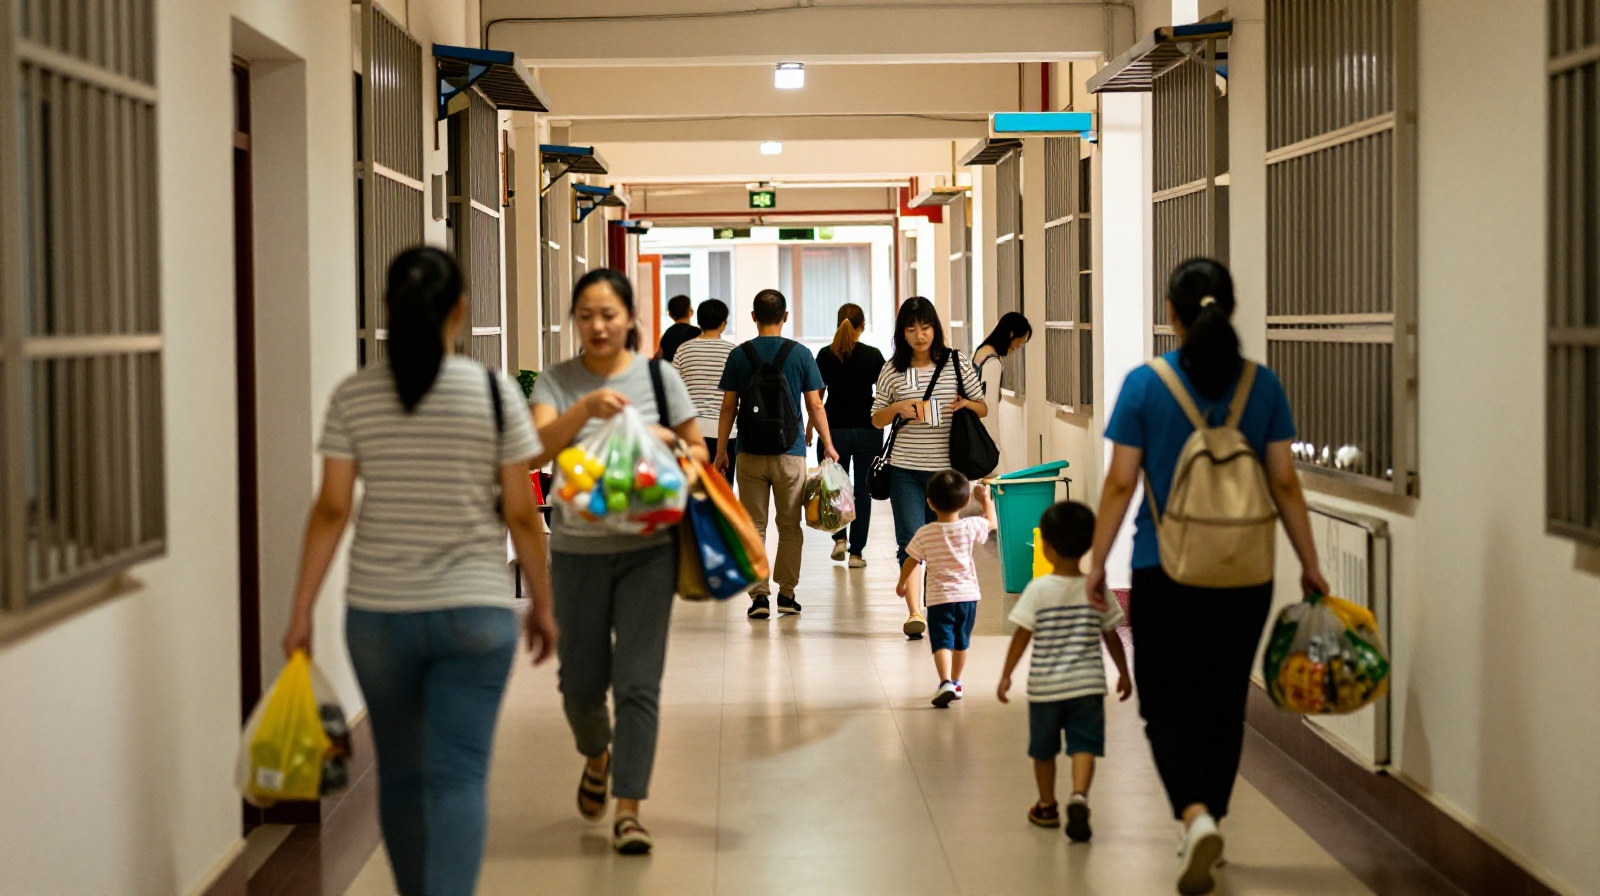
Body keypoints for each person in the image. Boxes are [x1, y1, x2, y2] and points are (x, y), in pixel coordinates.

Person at [280, 247, 557, 896]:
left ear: (386, 309)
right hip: (476, 615)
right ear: (460, 310)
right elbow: (521, 512)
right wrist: (543, 603)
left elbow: (331, 509)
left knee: (401, 775)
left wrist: (298, 611)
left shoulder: (354, 395)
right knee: (459, 773)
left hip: (380, 617)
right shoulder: (491, 393)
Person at [1085, 257, 1329, 896]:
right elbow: (1284, 484)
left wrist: (1095, 564)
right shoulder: (1263, 387)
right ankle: (1212, 819)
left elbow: (1119, 482)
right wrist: (1309, 562)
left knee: (1165, 701)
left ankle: (1193, 818)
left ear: (1172, 314)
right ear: (1232, 307)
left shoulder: (1146, 385)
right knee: (1223, 701)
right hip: (1247, 573)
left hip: (1162, 568)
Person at [529, 268, 708, 856]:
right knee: (579, 684)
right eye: (586, 315)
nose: (598, 326)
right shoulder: (556, 381)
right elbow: (536, 450)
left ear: (630, 318)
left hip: (647, 549)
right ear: (575, 321)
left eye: (609, 314)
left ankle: (630, 808)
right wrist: (585, 411)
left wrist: (662, 437)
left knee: (638, 682)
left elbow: (698, 451)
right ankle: (597, 754)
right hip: (577, 548)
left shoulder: (661, 377)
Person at [997, 501, 1131, 845]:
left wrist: (1007, 674)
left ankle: (1047, 805)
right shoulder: (1096, 589)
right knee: (1084, 744)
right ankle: (1079, 797)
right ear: (1088, 545)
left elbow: (1022, 635)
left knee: (1043, 749)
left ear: (1047, 547)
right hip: (1088, 686)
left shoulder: (1038, 589)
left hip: (1046, 688)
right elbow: (1112, 636)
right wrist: (1124, 673)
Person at [715, 289, 838, 620]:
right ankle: (786, 593)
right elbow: (814, 404)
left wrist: (721, 450)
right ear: (785, 317)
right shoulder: (800, 354)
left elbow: (729, 406)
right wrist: (827, 443)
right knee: (789, 524)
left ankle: (758, 597)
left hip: (750, 453)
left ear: (753, 317)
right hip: (790, 452)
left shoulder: (739, 355)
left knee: (754, 527)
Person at [870, 296, 986, 639]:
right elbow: (876, 418)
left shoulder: (957, 363)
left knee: (944, 542)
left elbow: (982, 408)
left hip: (947, 472)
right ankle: (916, 612)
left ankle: (939, 604)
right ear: (901, 333)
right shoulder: (892, 369)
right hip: (904, 468)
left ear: (935, 328)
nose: (919, 335)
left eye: (925, 327)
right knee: (910, 539)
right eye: (911, 328)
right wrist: (898, 409)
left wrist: (965, 404)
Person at [894, 469, 996, 708]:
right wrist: (986, 501)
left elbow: (911, 559)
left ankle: (945, 681)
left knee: (941, 642)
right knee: (961, 642)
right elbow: (991, 524)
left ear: (929, 503)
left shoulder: (925, 533)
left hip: (939, 599)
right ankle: (958, 682)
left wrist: (901, 583)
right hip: (968, 597)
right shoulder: (970, 527)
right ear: (963, 501)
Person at [812, 303, 885, 568]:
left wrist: (811, 427)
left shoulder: (824, 355)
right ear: (861, 326)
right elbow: (886, 393)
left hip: (834, 431)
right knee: (862, 492)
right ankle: (856, 553)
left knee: (835, 487)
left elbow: (817, 399)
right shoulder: (873, 355)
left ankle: (839, 539)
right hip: (867, 430)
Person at [672, 299, 738, 483]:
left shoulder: (683, 350)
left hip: (691, 431)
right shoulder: (733, 352)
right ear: (724, 323)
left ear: (698, 322)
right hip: (725, 434)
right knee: (722, 495)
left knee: (693, 492)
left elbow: (673, 392)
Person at [972, 312, 1033, 401]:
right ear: (1011, 335)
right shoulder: (991, 359)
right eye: (1019, 341)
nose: (1020, 346)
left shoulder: (985, 350)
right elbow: (989, 401)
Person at [655, 294, 700, 363]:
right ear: (690, 312)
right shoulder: (698, 333)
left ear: (670, 314)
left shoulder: (667, 334)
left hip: (671, 372)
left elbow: (659, 356)